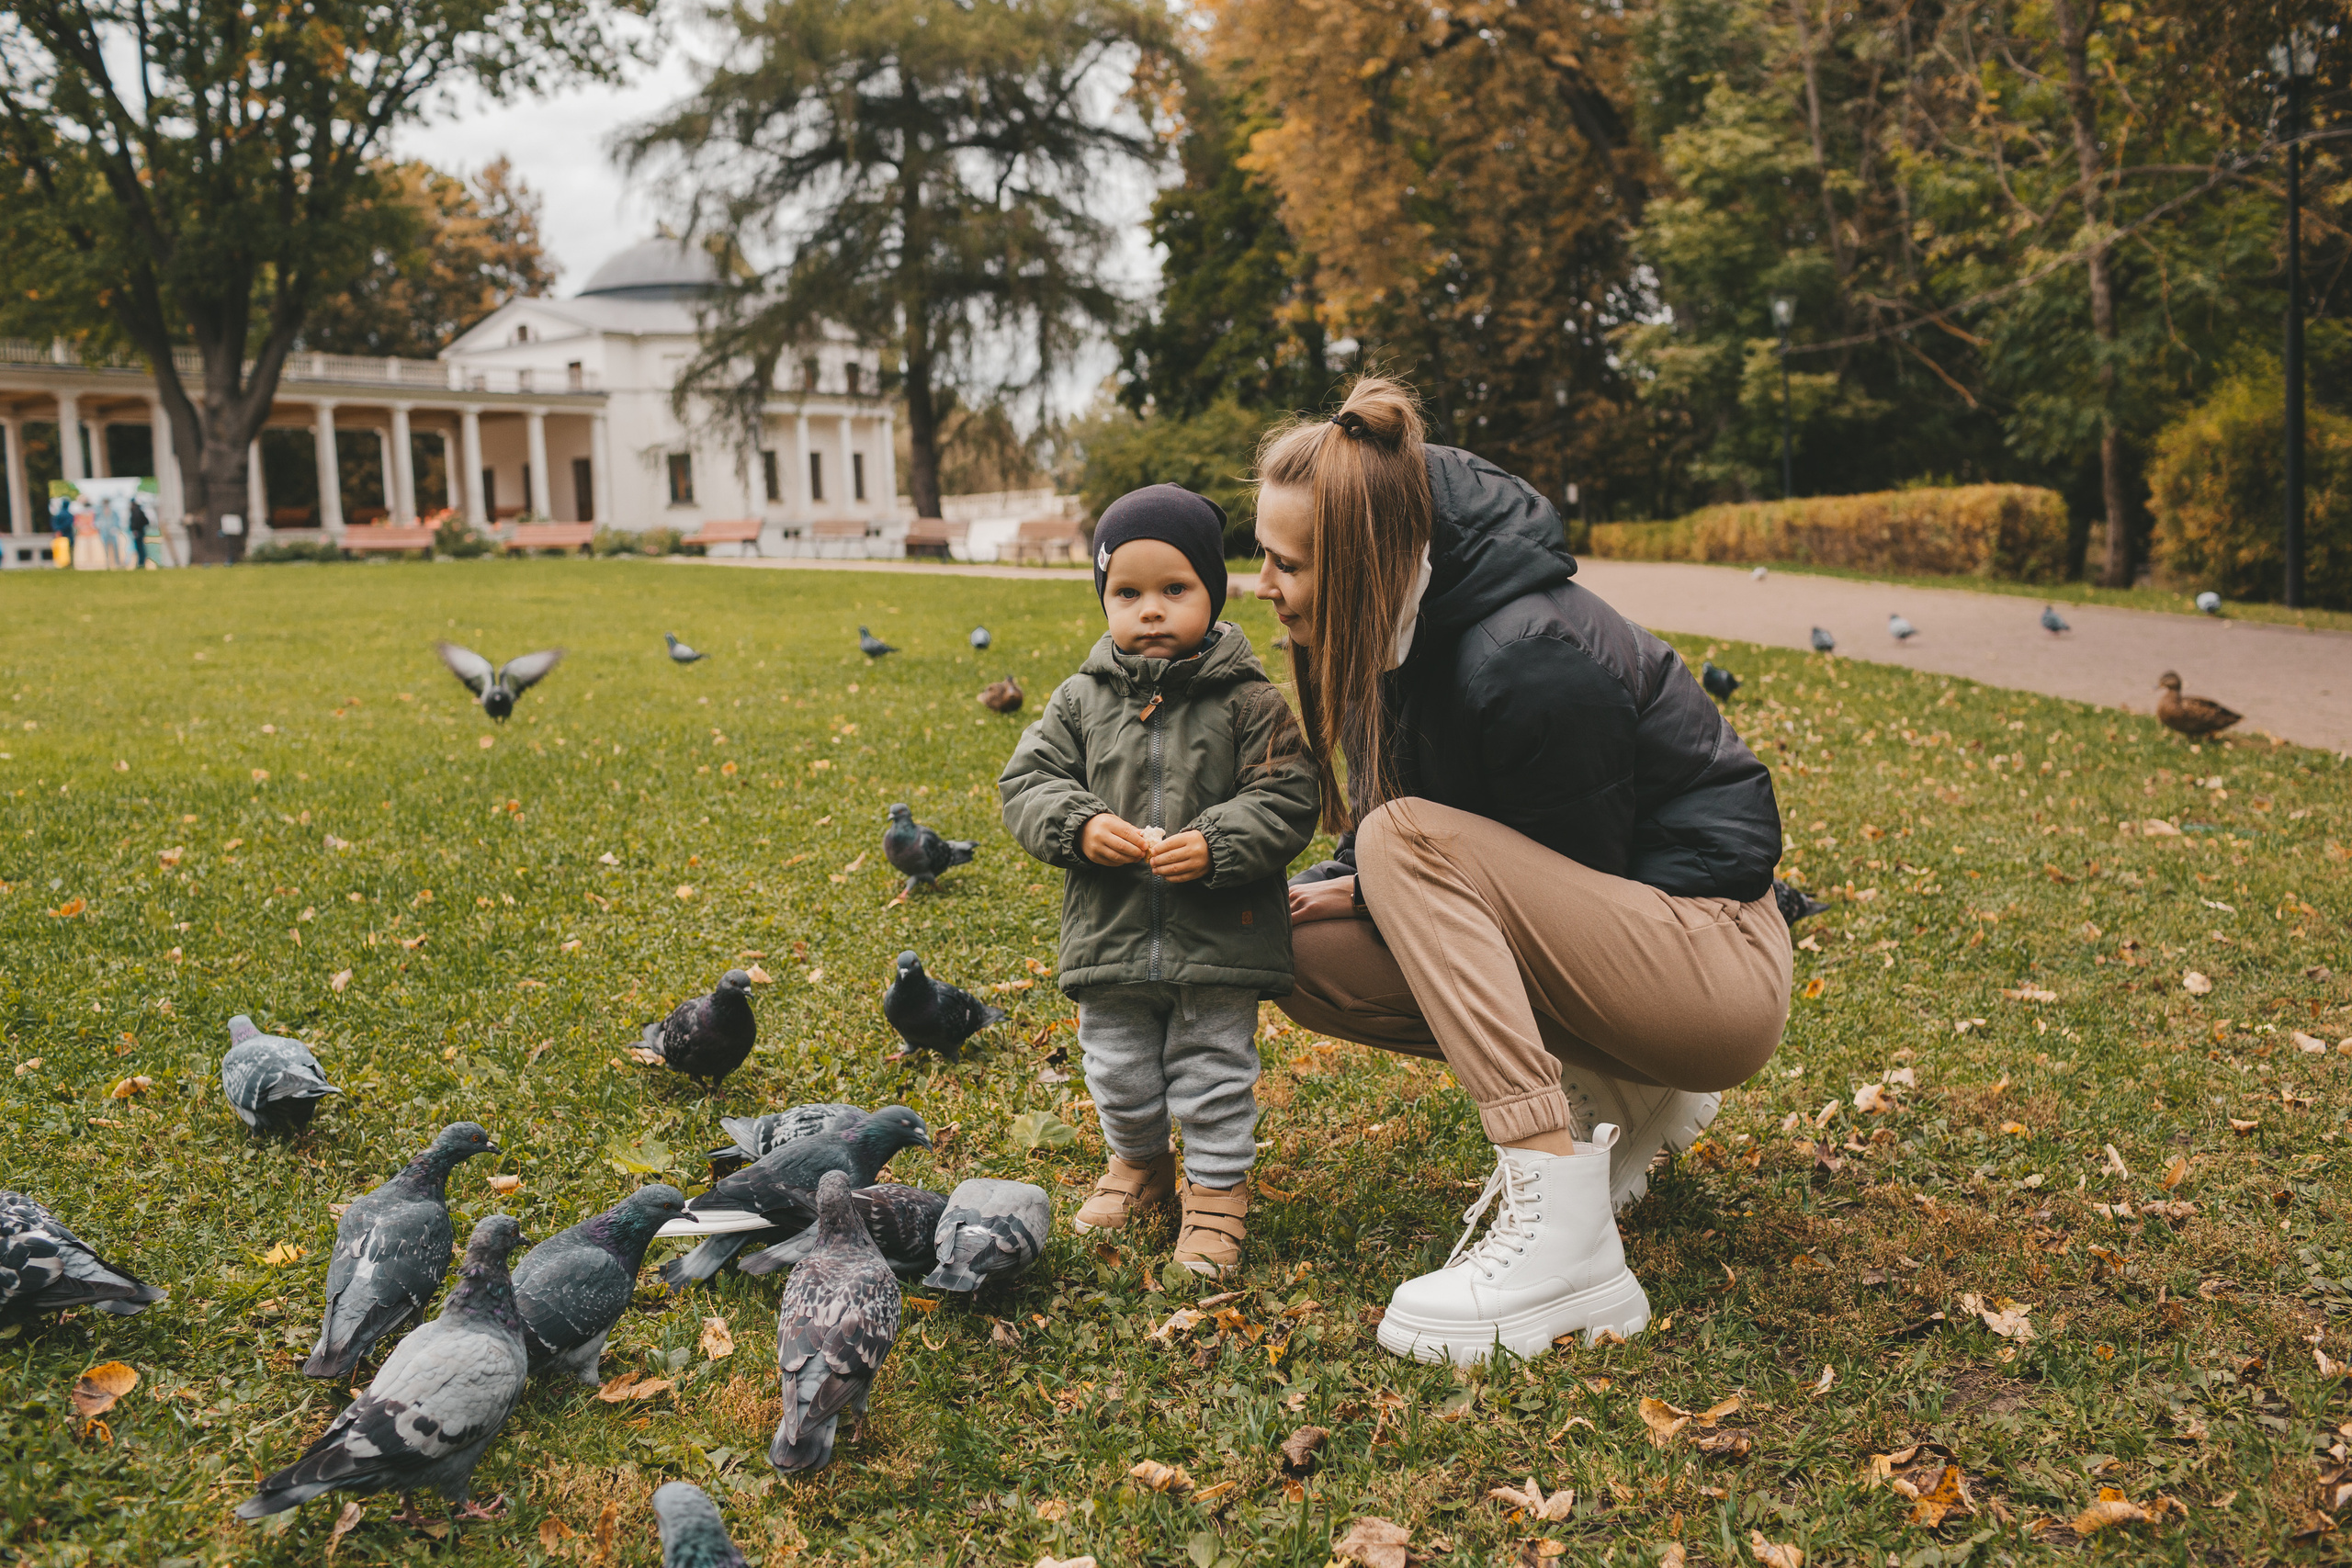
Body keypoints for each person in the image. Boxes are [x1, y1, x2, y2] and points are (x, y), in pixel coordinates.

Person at [1253, 377, 1792, 1364]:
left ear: (1369, 558)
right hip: (1620, 950)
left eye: (1287, 562)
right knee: (1290, 943)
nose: (1263, 583)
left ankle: (1565, 1236)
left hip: (1714, 968)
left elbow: (1563, 870)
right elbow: (1418, 824)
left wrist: (1382, 868)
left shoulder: (1524, 654)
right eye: (1262, 555)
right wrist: (1346, 881)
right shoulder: (1401, 629)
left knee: (1397, 845)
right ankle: (1620, 1103)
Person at [1001, 485, 1321, 1279]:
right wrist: (1077, 824)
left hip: (1218, 936)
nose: (1150, 610)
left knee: (1213, 1068)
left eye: (1174, 589)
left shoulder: (1249, 700)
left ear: (1211, 593)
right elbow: (1028, 780)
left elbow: (1288, 796)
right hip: (1110, 934)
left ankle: (1216, 1190)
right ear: (1104, 600)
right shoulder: (1080, 700)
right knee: (1117, 1066)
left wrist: (1215, 844)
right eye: (1127, 592)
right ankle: (1139, 1165)